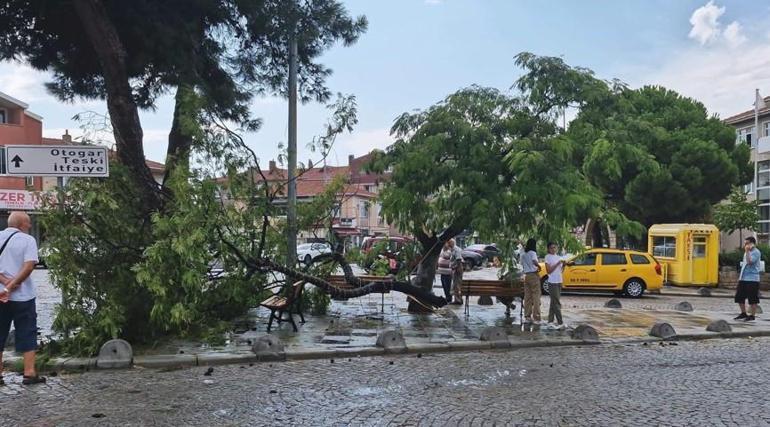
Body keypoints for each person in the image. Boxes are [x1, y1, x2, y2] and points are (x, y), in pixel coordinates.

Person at [0, 211, 45, 386]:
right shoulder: (28, 240)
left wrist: (4, 283)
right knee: (27, 331)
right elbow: (29, 267)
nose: (30, 226)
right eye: (28, 223)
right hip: (23, 297)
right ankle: (29, 373)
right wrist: (12, 285)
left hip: (0, 295)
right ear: (21, 224)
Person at [734, 236, 761, 322]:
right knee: (739, 296)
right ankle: (743, 313)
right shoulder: (746, 252)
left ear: (752, 244)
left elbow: (750, 262)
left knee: (752, 298)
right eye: (745, 243)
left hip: (752, 278)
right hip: (743, 278)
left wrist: (747, 251)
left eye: (747, 243)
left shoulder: (756, 252)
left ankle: (752, 315)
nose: (745, 245)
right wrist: (740, 277)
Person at [544, 242, 565, 329]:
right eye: (552, 248)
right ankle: (560, 322)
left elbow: (561, 271)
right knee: (556, 303)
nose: (553, 249)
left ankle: (550, 321)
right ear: (548, 249)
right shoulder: (547, 257)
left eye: (555, 247)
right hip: (552, 282)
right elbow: (549, 271)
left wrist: (564, 265)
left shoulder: (558, 257)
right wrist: (557, 263)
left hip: (559, 281)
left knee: (553, 302)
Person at [520, 238, 542, 324]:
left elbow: (521, 263)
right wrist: (539, 266)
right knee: (536, 296)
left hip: (527, 276)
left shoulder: (524, 254)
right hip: (533, 275)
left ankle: (527, 316)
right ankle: (536, 316)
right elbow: (534, 261)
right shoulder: (533, 253)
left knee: (527, 297)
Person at [448, 239, 464, 305]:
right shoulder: (453, 249)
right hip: (455, 269)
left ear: (452, 243)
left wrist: (457, 268)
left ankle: (458, 300)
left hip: (457, 269)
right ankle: (457, 299)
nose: (448, 244)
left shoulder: (456, 249)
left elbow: (459, 259)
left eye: (449, 243)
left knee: (457, 285)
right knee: (455, 285)